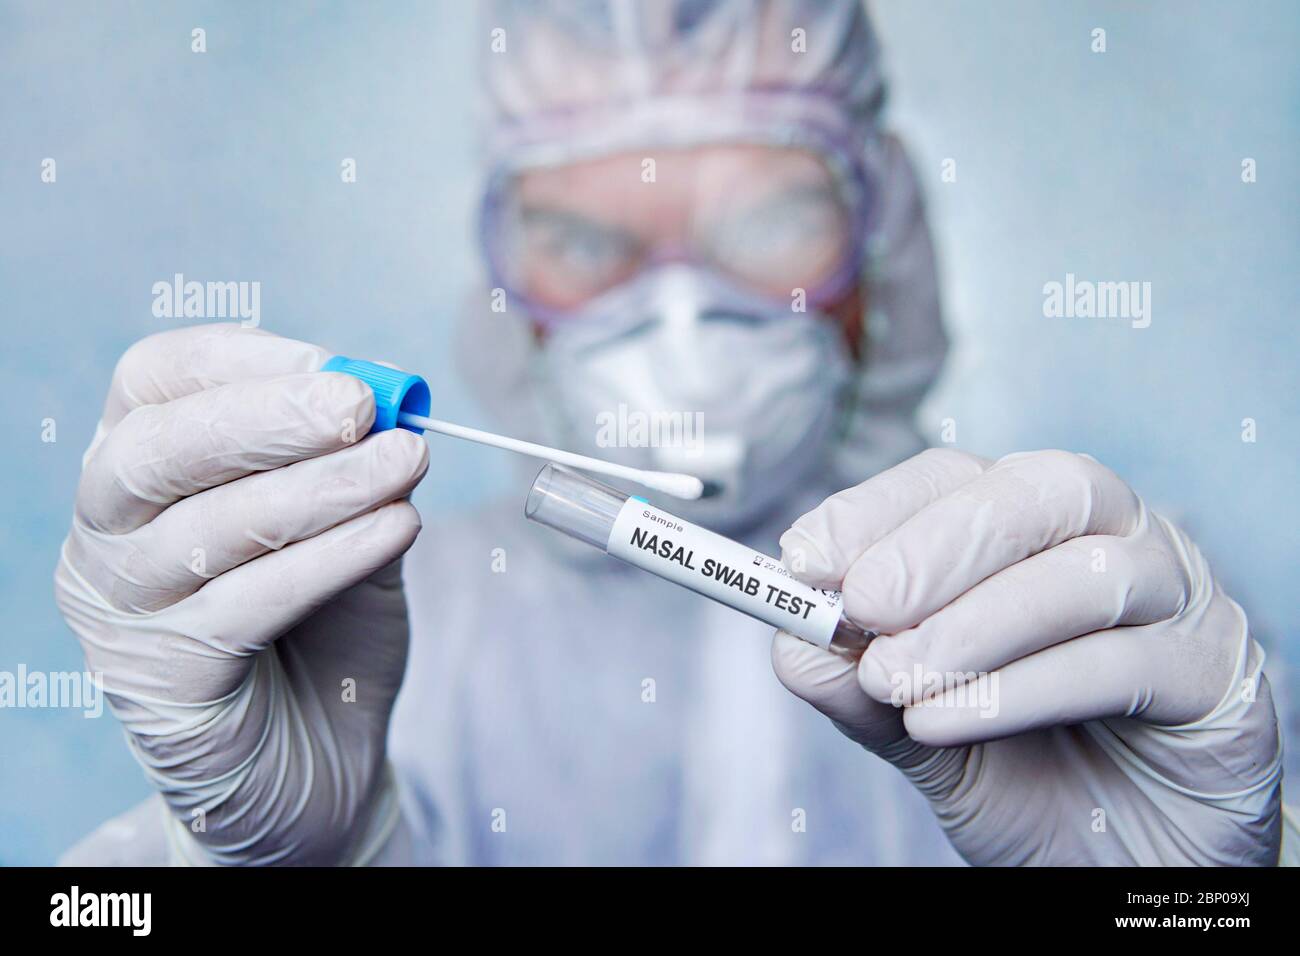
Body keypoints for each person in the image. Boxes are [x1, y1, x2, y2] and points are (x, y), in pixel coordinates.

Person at [57, 0, 1291, 866]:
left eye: (765, 222)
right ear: (507, 290)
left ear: (883, 242)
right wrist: (266, 868)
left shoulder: (1097, 613)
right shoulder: (352, 618)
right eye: (586, 243)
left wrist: (1192, 901)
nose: (679, 300)